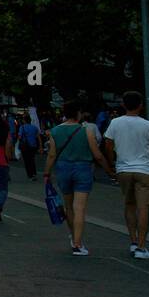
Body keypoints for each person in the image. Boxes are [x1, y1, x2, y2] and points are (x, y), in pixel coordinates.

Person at [42, 101, 110, 256]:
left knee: (68, 206)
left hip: (63, 169)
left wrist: (46, 173)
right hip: (83, 168)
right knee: (79, 207)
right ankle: (78, 244)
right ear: (78, 113)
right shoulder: (86, 131)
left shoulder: (55, 131)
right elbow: (97, 155)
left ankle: (73, 237)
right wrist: (109, 171)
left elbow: (52, 155)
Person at [102, 91, 149, 258]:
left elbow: (107, 144)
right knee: (144, 208)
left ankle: (133, 241)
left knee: (129, 205)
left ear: (123, 105)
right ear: (141, 105)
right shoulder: (147, 125)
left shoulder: (115, 123)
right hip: (144, 169)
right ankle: (142, 247)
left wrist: (113, 162)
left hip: (123, 169)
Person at [17, 111, 41, 181]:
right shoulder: (34, 127)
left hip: (25, 146)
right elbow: (38, 137)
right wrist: (40, 146)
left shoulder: (22, 127)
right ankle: (34, 173)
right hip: (33, 145)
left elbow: (19, 137)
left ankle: (30, 175)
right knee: (32, 159)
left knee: (27, 161)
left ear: (24, 120)